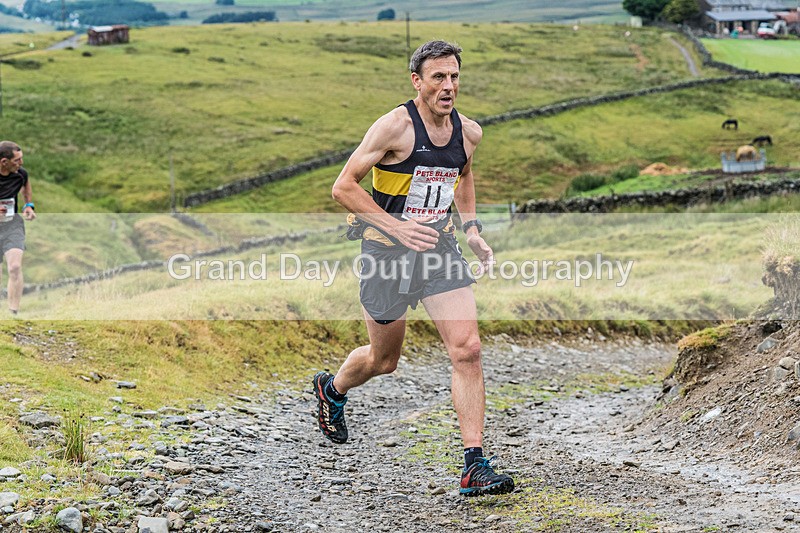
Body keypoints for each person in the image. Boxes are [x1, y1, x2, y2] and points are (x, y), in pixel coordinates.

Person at [314, 40, 515, 497]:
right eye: (439, 77)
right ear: (417, 82)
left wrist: (473, 230)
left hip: (439, 250)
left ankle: (474, 463)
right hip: (385, 254)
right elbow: (343, 187)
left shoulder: (470, 133)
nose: (449, 86)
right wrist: (397, 229)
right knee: (383, 360)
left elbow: (462, 176)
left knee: (468, 349)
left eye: (455, 77)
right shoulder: (394, 127)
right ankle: (333, 387)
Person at [0, 141, 36, 315]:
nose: (21, 163)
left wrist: (28, 205)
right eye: (17, 160)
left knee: (14, 267)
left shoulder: (20, 174)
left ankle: (13, 312)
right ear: (3, 162)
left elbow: (25, 185)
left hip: (12, 225)